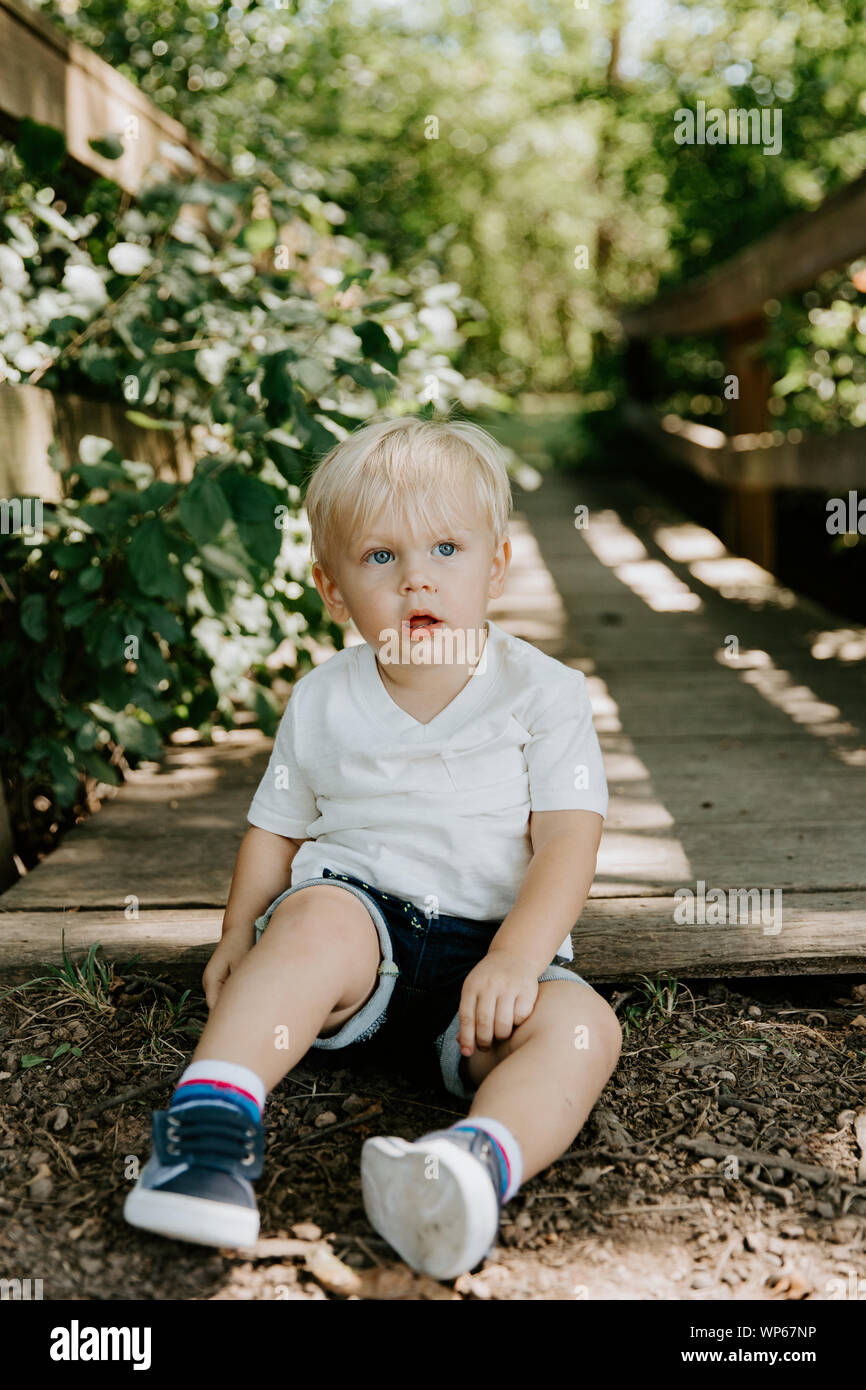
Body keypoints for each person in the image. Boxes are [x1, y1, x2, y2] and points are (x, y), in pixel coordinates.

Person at [124, 414, 621, 1280]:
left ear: (496, 566)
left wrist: (515, 959)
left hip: (491, 970)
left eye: (446, 550)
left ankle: (471, 1162)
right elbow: (274, 829)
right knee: (314, 920)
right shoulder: (323, 698)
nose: (416, 577)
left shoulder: (544, 692)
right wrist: (238, 934)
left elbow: (568, 844)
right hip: (364, 934)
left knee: (584, 1029)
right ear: (332, 587)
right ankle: (209, 1131)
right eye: (381, 558)